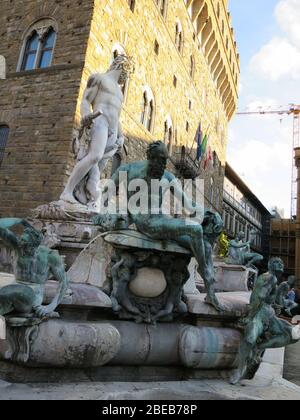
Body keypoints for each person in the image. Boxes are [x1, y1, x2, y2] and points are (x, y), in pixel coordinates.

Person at [106, 141, 225, 311]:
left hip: (161, 221)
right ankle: (206, 276)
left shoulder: (167, 177)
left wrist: (211, 213)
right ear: (149, 157)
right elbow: (106, 192)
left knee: (205, 245)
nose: (163, 165)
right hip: (146, 222)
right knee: (195, 229)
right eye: (159, 160)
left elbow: (189, 204)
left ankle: (209, 293)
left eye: (165, 161)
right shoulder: (129, 171)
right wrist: (110, 213)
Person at [60, 54, 132, 209]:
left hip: (112, 130)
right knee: (95, 156)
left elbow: (117, 115)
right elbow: (86, 100)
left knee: (98, 166)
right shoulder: (99, 78)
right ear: (123, 68)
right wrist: (86, 116)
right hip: (100, 121)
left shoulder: (120, 93)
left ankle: (83, 196)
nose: (126, 79)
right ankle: (67, 192)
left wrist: (121, 135)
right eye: (128, 74)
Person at [230, 258, 300, 385]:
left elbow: (269, 298)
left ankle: (259, 348)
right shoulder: (269, 277)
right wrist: (250, 317)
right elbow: (258, 297)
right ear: (270, 265)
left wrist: (278, 306)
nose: (281, 264)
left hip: (270, 315)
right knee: (250, 338)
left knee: (294, 334)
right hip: (260, 315)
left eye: (282, 263)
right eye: (277, 263)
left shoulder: (274, 280)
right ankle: (240, 369)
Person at [0, 218, 68, 318]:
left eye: (24, 242)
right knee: (13, 291)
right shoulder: (18, 245)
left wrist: (50, 307)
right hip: (13, 289)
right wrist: (19, 221)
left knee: (18, 291)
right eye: (21, 240)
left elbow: (64, 282)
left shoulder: (49, 256)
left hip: (33, 295)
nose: (20, 244)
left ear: (33, 245)